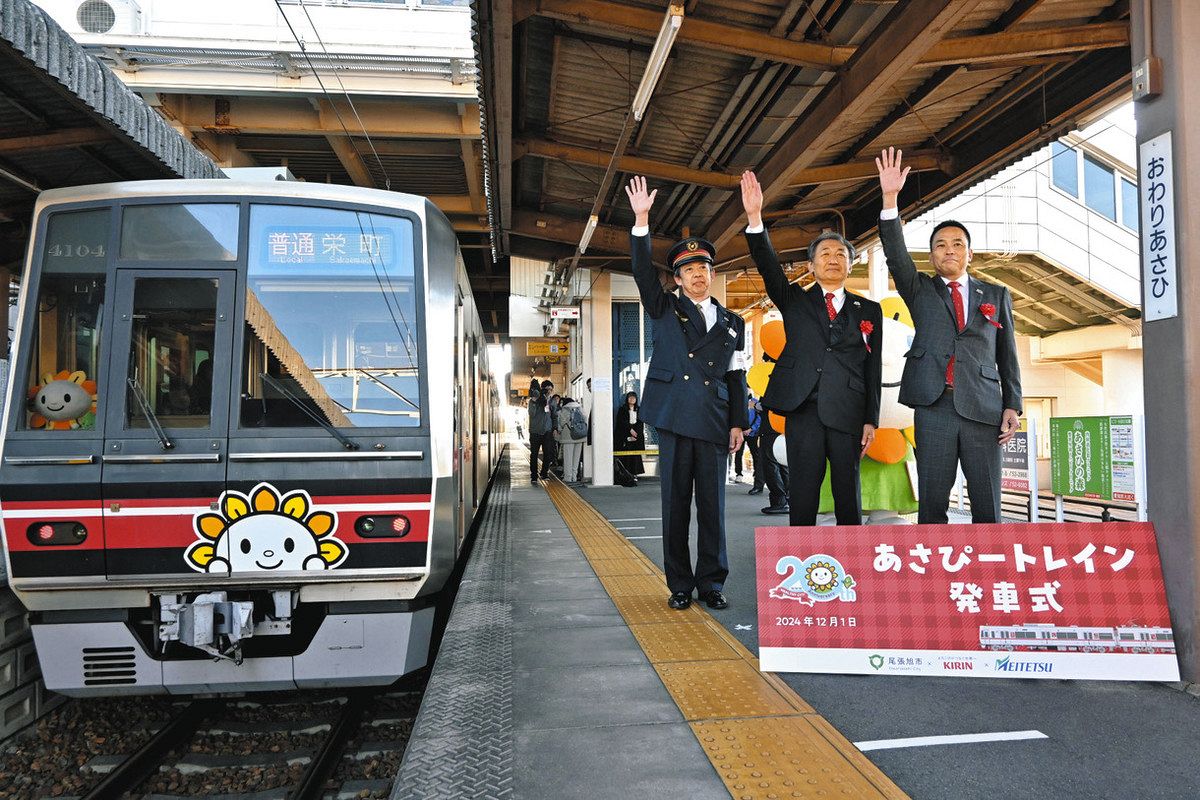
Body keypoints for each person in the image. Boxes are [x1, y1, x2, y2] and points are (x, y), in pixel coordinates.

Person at [875, 147, 1022, 523]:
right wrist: (890, 199)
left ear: (969, 254)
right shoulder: (920, 289)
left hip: (984, 407)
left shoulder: (995, 294)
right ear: (932, 256)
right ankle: (936, 578)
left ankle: (990, 573)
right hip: (934, 404)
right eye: (940, 245)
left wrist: (1012, 405)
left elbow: (1007, 354)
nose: (949, 250)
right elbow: (894, 253)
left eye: (957, 244)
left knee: (987, 502)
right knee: (933, 501)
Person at [626, 175, 749, 611]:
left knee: (713, 509)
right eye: (690, 270)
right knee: (676, 506)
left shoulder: (734, 322)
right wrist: (642, 221)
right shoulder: (664, 308)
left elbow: (737, 377)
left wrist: (739, 422)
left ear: (713, 274)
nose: (699, 275)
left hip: (716, 421)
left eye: (705, 269)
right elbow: (642, 272)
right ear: (677, 279)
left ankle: (712, 582)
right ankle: (679, 584)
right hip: (676, 416)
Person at [741, 171, 882, 527]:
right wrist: (756, 219)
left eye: (840, 254)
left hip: (848, 412)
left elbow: (873, 368)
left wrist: (871, 419)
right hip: (803, 408)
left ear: (851, 264)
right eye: (825, 254)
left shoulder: (869, 310)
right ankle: (801, 563)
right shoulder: (795, 301)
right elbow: (770, 268)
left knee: (848, 488)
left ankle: (851, 562)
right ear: (811, 266)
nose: (833, 259)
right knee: (803, 487)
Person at [614, 390, 646, 486]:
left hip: (636, 435)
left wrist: (636, 434)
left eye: (634, 398)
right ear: (627, 399)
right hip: (625, 435)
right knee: (626, 455)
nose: (632, 399)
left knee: (635, 456)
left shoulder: (639, 409)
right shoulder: (622, 409)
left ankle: (635, 474)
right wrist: (630, 431)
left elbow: (640, 422)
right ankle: (626, 474)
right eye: (630, 397)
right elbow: (621, 422)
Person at [527, 378, 556, 484]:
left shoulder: (551, 401)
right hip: (535, 431)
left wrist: (555, 428)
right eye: (546, 389)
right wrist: (534, 401)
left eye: (550, 389)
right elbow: (532, 414)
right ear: (541, 389)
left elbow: (554, 416)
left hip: (547, 431)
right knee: (534, 454)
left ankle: (544, 473)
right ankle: (533, 475)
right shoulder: (533, 401)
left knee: (547, 454)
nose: (548, 391)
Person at [556, 396, 587, 482]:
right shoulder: (580, 408)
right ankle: (574, 477)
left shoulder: (565, 409)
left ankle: (568, 478)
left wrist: (559, 431)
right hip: (580, 436)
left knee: (568, 458)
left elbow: (561, 423)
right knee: (576, 458)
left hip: (568, 437)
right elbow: (585, 419)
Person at [745, 396, 765, 495]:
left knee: (782, 464)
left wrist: (755, 406)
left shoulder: (755, 401)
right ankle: (758, 485)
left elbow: (761, 413)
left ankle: (786, 490)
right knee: (760, 460)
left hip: (758, 432)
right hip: (763, 432)